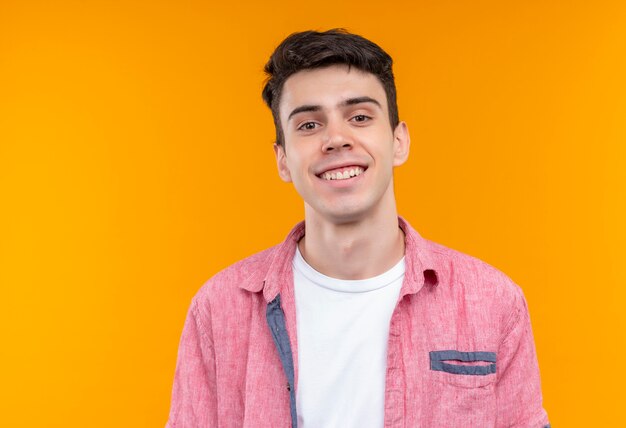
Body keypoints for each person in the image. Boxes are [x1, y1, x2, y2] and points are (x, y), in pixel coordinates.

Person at [166, 29, 550, 428]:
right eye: (309, 125)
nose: (335, 138)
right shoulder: (218, 308)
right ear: (282, 160)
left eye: (360, 117)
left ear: (399, 141)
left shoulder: (494, 302)